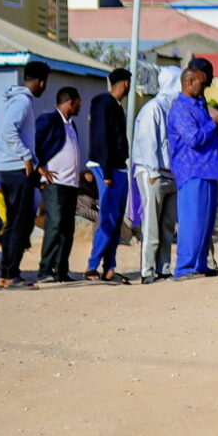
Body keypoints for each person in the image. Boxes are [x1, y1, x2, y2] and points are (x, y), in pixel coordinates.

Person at [0, 60, 49, 288]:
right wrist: (25, 156)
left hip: (5, 167)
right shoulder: (22, 102)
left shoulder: (6, 100)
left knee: (14, 222)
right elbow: (6, 130)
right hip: (17, 169)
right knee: (20, 223)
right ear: (41, 82)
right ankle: (11, 274)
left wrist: (2, 153)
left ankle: (6, 274)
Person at [168, 59, 218, 278]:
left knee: (205, 222)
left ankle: (199, 264)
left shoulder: (199, 106)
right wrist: (214, 122)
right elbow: (193, 137)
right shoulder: (181, 109)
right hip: (192, 170)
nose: (204, 87)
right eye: (201, 83)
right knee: (192, 221)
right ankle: (185, 267)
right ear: (189, 82)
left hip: (208, 168)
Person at [131, 66, 181, 282]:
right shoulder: (153, 108)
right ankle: (147, 271)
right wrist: (152, 172)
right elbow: (148, 141)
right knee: (151, 225)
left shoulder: (173, 108)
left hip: (171, 174)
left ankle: (163, 268)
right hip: (153, 174)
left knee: (167, 225)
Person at [33, 86, 86, 283]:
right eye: (78, 102)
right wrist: (39, 168)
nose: (80, 106)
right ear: (70, 102)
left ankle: (61, 270)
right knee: (54, 224)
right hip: (54, 183)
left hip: (71, 183)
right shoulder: (48, 120)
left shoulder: (72, 125)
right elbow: (34, 143)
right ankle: (45, 270)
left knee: (67, 227)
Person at [84, 69, 132, 282]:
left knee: (116, 219)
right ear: (125, 84)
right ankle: (92, 265)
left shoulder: (116, 106)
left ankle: (109, 264)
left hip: (118, 168)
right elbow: (102, 139)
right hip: (108, 169)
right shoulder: (104, 104)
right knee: (108, 218)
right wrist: (105, 172)